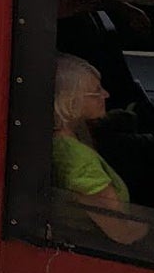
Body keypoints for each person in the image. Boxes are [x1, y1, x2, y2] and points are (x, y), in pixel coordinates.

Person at [53, 53, 146, 244]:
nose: (106, 94)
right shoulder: (79, 162)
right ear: (69, 101)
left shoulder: (65, 133)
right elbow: (121, 233)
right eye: (96, 92)